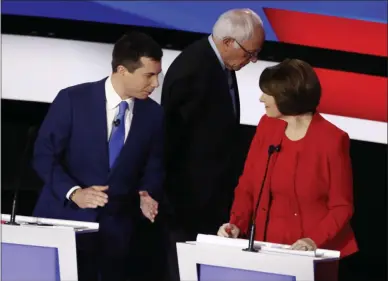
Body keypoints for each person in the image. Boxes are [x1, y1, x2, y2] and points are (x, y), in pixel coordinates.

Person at [32, 31, 164, 281]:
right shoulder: (72, 99)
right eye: (149, 75)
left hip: (115, 237)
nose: (155, 84)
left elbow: (154, 166)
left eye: (157, 75)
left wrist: (146, 193)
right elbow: (43, 155)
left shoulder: (153, 115)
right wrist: (74, 192)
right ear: (122, 70)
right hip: (63, 223)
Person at [217, 58, 358, 279]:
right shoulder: (267, 126)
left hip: (314, 255)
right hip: (266, 250)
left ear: (287, 96)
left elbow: (342, 206)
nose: (261, 98)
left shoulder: (332, 140)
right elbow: (248, 186)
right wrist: (236, 224)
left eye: (268, 93)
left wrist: (312, 240)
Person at [160, 8, 265, 281]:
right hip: (188, 204)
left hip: (210, 201)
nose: (252, 60)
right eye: (250, 53)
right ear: (228, 42)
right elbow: (173, 141)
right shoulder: (193, 70)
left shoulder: (216, 64)